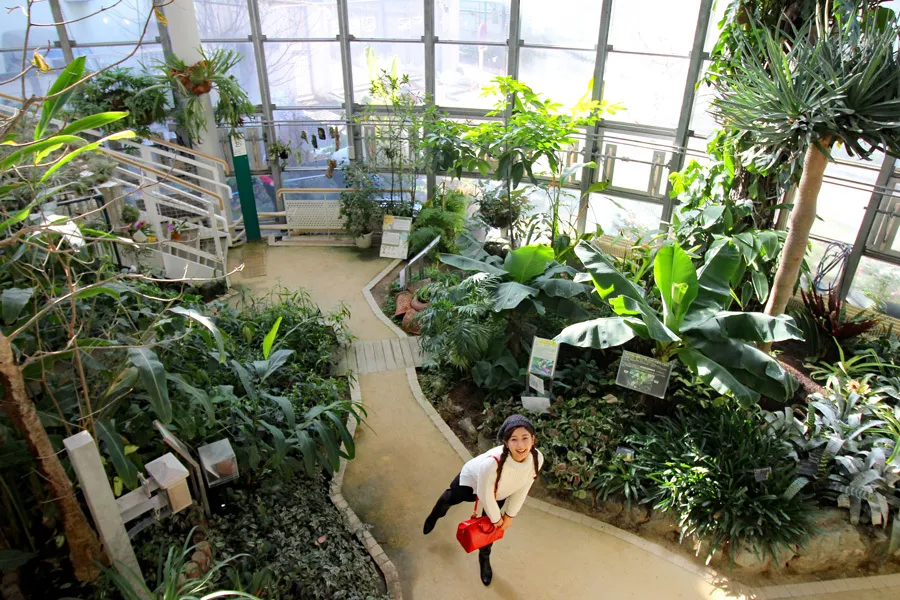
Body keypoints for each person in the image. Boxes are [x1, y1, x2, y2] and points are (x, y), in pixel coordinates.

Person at [423, 414, 544, 586]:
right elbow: (485, 495)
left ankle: (484, 558)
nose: (520, 445)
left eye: (525, 438)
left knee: (489, 528)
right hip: (472, 482)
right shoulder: (491, 463)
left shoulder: (537, 458)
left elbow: (523, 487)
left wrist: (509, 516)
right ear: (506, 442)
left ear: (533, 438)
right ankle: (434, 516)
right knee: (449, 498)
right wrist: (497, 518)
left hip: (499, 492)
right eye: (514, 439)